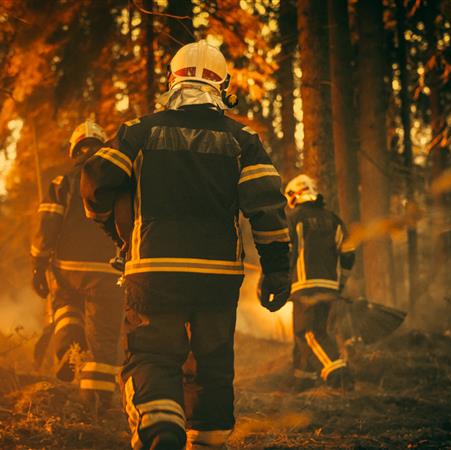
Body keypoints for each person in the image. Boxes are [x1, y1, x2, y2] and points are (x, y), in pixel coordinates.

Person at [81, 40, 291, 450]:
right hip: (218, 276)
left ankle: (162, 427)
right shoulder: (243, 140)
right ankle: (208, 437)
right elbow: (266, 207)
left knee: (153, 354)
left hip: (153, 271)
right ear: (223, 86)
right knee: (213, 361)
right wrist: (277, 269)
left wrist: (115, 231)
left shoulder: (138, 132)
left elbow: (96, 183)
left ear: (172, 81)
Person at [30, 120, 124, 413]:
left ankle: (70, 352)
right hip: (109, 270)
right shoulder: (120, 185)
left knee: (65, 307)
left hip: (68, 268)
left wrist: (38, 263)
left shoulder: (62, 182)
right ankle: (97, 402)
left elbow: (47, 224)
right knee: (104, 335)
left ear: (74, 150)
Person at [284, 174, 356, 390]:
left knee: (308, 333)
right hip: (329, 287)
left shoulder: (294, 218)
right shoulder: (334, 220)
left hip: (304, 287)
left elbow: (285, 253)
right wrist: (340, 282)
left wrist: (274, 281)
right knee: (313, 331)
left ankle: (340, 378)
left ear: (295, 195)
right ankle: (303, 380)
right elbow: (349, 253)